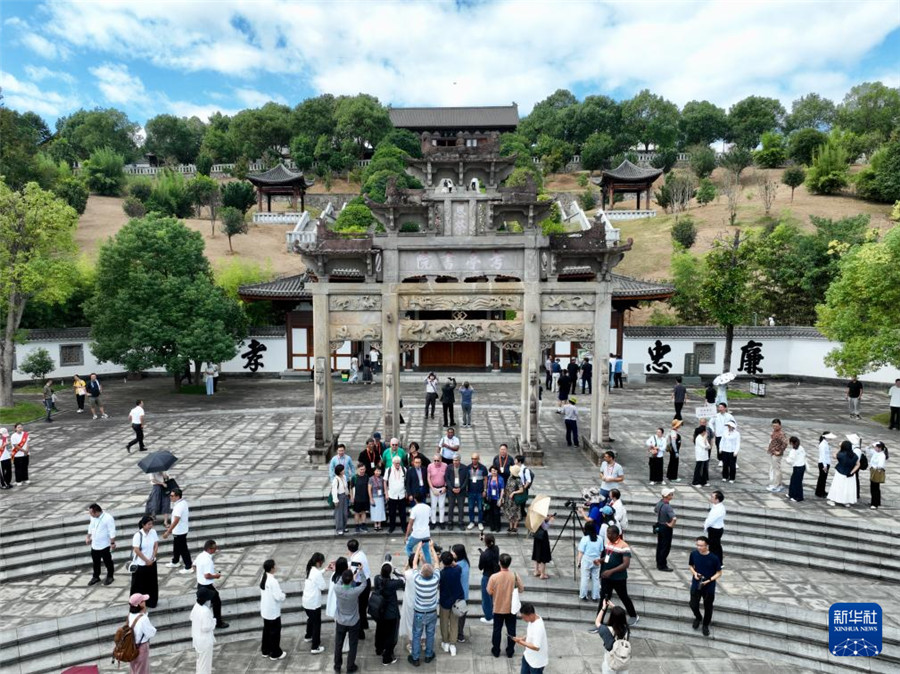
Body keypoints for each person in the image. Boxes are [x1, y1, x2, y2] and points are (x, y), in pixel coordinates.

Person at [487, 552, 525, 659]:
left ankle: (496, 650)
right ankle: (510, 651)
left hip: (498, 608)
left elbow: (489, 591)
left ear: (500, 563)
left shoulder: (494, 577)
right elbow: (521, 589)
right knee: (511, 630)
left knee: (497, 630)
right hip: (511, 608)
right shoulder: (514, 575)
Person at [409, 539, 441, 666]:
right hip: (432, 611)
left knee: (416, 634)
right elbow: (437, 563)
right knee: (430, 633)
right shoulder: (435, 579)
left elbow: (414, 564)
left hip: (419, 612)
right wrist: (432, 548)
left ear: (421, 573)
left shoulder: (417, 579)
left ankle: (415, 658)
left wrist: (418, 548)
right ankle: (428, 655)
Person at [599, 525, 638, 624]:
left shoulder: (624, 546)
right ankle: (599, 622)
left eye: (610, 533)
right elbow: (608, 557)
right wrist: (600, 560)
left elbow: (626, 564)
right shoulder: (608, 543)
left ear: (617, 534)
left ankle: (633, 615)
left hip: (618, 578)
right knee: (604, 599)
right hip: (606, 578)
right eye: (607, 533)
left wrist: (611, 571)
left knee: (623, 596)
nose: (608, 535)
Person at [334, 566, 367, 673]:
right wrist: (360, 571)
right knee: (353, 645)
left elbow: (339, 581)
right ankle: (350, 666)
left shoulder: (337, 588)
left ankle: (337, 666)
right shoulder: (355, 591)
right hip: (353, 621)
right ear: (351, 580)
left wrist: (345, 572)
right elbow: (364, 584)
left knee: (338, 644)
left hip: (340, 620)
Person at [689, 536, 723, 636]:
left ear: (706, 545)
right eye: (697, 545)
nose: (699, 547)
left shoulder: (714, 558)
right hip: (696, 583)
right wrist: (695, 573)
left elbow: (719, 573)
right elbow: (691, 566)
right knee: (693, 604)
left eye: (701, 545)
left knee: (708, 607)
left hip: (709, 585)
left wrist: (709, 580)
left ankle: (705, 625)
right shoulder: (694, 554)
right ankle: (698, 617)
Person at [374, 559, 405, 665]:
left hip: (380, 612)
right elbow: (403, 580)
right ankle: (387, 658)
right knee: (390, 636)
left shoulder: (377, 578)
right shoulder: (392, 584)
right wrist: (396, 572)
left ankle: (379, 649)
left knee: (380, 631)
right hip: (391, 614)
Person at [195, 539, 228, 629]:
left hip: (200, 584)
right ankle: (218, 622)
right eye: (215, 548)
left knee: (202, 603)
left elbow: (193, 566)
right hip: (207, 586)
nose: (216, 549)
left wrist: (199, 574)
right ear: (209, 549)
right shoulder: (208, 560)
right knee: (216, 602)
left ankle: (202, 621)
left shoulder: (200, 556)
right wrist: (216, 576)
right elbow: (207, 576)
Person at [130, 515, 159, 608]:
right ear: (143, 525)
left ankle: (151, 601)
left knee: (152, 583)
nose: (151, 526)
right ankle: (136, 602)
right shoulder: (138, 535)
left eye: (151, 524)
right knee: (138, 584)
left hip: (152, 562)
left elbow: (156, 545)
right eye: (148, 524)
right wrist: (146, 560)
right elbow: (136, 550)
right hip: (141, 564)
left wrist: (152, 558)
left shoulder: (153, 532)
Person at [259, 559, 286, 659]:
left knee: (266, 631)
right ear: (272, 568)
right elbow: (278, 597)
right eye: (275, 565)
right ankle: (275, 653)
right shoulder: (273, 581)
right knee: (275, 632)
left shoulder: (263, 577)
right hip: (273, 611)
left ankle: (265, 650)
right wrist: (283, 595)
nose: (276, 567)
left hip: (265, 609)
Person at [438, 550, 463, 656]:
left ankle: (445, 642)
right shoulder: (458, 569)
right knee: (454, 623)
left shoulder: (441, 574)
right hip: (458, 600)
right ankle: (453, 644)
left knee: (444, 622)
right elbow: (456, 565)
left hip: (445, 601)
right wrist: (451, 560)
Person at [593, 602, 629, 674]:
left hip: (611, 663)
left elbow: (597, 622)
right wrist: (614, 607)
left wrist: (603, 608)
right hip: (623, 662)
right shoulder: (626, 629)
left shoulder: (606, 630)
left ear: (612, 617)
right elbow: (620, 616)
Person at [302, 552, 328, 654]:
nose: (322, 564)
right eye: (322, 562)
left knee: (311, 619)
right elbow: (322, 586)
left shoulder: (309, 569)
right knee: (317, 624)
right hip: (314, 603)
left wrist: (325, 570)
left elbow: (315, 575)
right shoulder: (316, 573)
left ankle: (308, 636)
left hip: (306, 601)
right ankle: (315, 646)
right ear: (318, 562)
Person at [86, 503, 116, 586]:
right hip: (95, 544)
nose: (90, 514)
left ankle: (110, 576)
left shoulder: (108, 518)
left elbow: (112, 531)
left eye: (91, 513)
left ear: (96, 512)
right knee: (95, 562)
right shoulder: (93, 517)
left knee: (108, 562)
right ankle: (96, 576)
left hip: (104, 545)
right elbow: (91, 526)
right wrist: (88, 537)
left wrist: (112, 542)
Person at [512, 602, 548, 674]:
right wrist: (522, 638)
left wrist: (520, 642)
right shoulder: (533, 619)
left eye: (524, 617)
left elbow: (536, 647)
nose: (523, 619)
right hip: (528, 656)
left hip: (536, 662)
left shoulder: (538, 627)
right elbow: (530, 634)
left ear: (531, 615)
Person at [162, 488, 192, 573]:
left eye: (172, 496)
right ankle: (175, 561)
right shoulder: (182, 502)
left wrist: (168, 532)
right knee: (176, 547)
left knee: (183, 549)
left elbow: (176, 520)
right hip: (180, 530)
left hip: (180, 531)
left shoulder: (179, 506)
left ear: (177, 496)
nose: (170, 497)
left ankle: (188, 566)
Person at [126, 592, 156, 674]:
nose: (145, 602)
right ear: (140, 604)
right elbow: (151, 633)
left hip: (130, 647)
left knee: (134, 669)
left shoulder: (130, 615)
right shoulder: (143, 619)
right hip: (141, 647)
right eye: (143, 601)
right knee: (142, 670)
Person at [827, 440, 860, 507]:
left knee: (837, 487)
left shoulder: (841, 455)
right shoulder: (855, 455)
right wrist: (852, 472)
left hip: (840, 473)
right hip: (850, 474)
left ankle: (833, 500)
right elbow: (858, 464)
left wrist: (839, 448)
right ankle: (846, 502)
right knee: (847, 488)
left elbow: (834, 455)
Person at [192, 585, 217, 674]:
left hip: (197, 640)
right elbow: (206, 627)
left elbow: (192, 618)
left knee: (200, 662)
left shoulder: (196, 606)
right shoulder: (205, 611)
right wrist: (214, 621)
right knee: (205, 665)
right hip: (205, 642)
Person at [405, 492, 433, 564]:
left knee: (408, 547)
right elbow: (429, 518)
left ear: (415, 499)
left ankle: (414, 561)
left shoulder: (414, 509)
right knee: (426, 551)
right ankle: (429, 567)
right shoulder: (428, 507)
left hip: (416, 534)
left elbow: (410, 523)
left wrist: (406, 536)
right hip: (426, 534)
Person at [578, 523, 603, 601]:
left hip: (586, 560)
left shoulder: (584, 539)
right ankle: (595, 596)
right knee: (596, 578)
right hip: (597, 559)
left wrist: (579, 562)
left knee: (585, 578)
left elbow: (581, 552)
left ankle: (583, 595)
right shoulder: (600, 538)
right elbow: (601, 550)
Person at [451, 544, 471, 643]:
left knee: (456, 616)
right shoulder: (466, 562)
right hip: (465, 594)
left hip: (458, 595)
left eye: (453, 552)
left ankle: (457, 634)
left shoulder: (457, 567)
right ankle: (460, 634)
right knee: (462, 617)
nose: (452, 553)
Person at [478, 533, 500, 624]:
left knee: (486, 598)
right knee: (494, 596)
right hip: (496, 575)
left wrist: (482, 554)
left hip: (487, 576)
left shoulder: (484, 555)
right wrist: (484, 540)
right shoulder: (496, 548)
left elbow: (480, 567)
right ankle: (494, 614)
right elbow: (490, 547)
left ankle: (489, 617)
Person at [654, 488, 677, 571]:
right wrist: (671, 524)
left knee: (660, 545)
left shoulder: (659, 503)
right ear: (667, 496)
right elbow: (674, 518)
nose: (672, 495)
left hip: (660, 525)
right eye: (671, 494)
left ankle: (659, 561)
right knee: (665, 546)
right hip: (666, 527)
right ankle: (662, 565)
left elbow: (656, 510)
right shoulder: (667, 506)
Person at [703, 491, 726, 566]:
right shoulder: (717, 506)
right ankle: (718, 562)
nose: (711, 498)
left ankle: (715, 562)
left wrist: (705, 526)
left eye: (713, 497)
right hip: (716, 529)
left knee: (714, 547)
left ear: (717, 500)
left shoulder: (718, 509)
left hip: (715, 529)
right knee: (716, 546)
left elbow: (711, 520)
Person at [446, 454, 469, 530]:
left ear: (459, 460)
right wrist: (452, 488)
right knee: (451, 507)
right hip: (451, 491)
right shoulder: (449, 467)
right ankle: (450, 522)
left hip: (461, 491)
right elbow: (447, 479)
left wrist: (461, 488)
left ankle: (460, 523)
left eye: (456, 460)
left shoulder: (464, 468)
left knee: (461, 507)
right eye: (454, 460)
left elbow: (466, 479)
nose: (455, 462)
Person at [386, 455, 407, 534]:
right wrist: (386, 493)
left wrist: (406, 492)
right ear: (393, 463)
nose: (398, 465)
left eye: (399, 463)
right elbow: (385, 481)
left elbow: (406, 481)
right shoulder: (389, 470)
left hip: (401, 495)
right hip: (392, 495)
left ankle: (404, 527)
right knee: (392, 513)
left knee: (403, 513)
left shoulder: (404, 469)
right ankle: (392, 527)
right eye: (396, 463)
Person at [467, 453, 488, 531]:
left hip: (480, 492)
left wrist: (485, 490)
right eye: (472, 458)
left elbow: (485, 479)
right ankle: (471, 521)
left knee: (480, 508)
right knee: (470, 508)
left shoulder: (483, 468)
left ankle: (480, 522)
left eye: (475, 459)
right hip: (470, 492)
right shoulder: (468, 467)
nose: (474, 460)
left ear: (478, 459)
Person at [767, 419, 788, 493]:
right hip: (772, 452)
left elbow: (785, 443)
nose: (774, 427)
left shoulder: (781, 434)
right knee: (774, 469)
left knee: (777, 470)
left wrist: (779, 451)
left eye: (776, 426)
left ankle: (777, 485)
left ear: (780, 425)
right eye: (773, 426)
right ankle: (776, 483)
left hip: (776, 454)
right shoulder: (775, 432)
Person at [428, 452, 448, 529]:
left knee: (441, 506)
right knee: (433, 506)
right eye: (435, 460)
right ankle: (433, 522)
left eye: (438, 460)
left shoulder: (445, 466)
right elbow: (428, 478)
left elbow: (447, 477)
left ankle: (441, 522)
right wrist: (432, 488)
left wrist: (445, 487)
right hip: (433, 488)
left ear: (441, 459)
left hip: (442, 488)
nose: (436, 462)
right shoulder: (430, 466)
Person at [504, 465, 525, 534]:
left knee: (516, 513)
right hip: (508, 498)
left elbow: (521, 490)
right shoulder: (510, 477)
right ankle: (510, 526)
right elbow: (507, 487)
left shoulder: (518, 480)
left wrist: (513, 492)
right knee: (509, 512)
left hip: (515, 499)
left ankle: (515, 527)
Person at [786, 436, 807, 502]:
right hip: (802, 466)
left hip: (797, 467)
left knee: (797, 483)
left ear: (791, 443)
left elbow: (790, 460)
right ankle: (791, 494)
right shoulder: (801, 448)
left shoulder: (793, 451)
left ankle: (798, 497)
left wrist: (787, 459)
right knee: (794, 481)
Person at [815, 432, 836, 498]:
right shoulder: (823, 444)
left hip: (826, 463)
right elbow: (823, 455)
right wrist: (825, 465)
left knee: (823, 478)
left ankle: (822, 491)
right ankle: (819, 492)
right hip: (823, 463)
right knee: (822, 478)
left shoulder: (825, 443)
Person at [350, 463, 370, 533]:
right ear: (358, 469)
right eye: (361, 469)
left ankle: (363, 525)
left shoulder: (367, 476)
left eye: (364, 469)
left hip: (365, 498)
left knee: (364, 512)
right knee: (357, 513)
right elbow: (351, 488)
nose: (363, 471)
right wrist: (352, 497)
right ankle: (357, 526)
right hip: (357, 498)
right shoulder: (354, 477)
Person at [485, 465, 505, 533]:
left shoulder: (500, 478)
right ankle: (492, 526)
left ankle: (497, 527)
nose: (493, 472)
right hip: (490, 498)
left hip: (497, 498)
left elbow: (502, 489)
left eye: (495, 471)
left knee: (496, 513)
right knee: (491, 513)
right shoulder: (489, 478)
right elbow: (487, 487)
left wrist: (500, 499)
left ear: (497, 471)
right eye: (492, 471)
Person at [868, 441, 888, 509]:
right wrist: (870, 445)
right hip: (873, 470)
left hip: (877, 471)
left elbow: (880, 465)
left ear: (879, 448)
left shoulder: (882, 455)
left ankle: (874, 503)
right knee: (875, 487)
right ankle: (876, 501)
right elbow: (867, 450)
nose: (874, 448)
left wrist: (876, 468)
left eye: (876, 447)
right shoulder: (875, 452)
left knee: (875, 488)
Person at [332, 463, 349, 535]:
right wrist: (335, 500)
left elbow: (346, 486)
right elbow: (334, 490)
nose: (344, 470)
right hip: (339, 496)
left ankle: (344, 526)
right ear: (339, 471)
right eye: (343, 470)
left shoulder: (344, 477)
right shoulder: (336, 479)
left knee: (345, 513)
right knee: (339, 514)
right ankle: (339, 529)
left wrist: (348, 494)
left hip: (345, 496)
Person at [368, 465, 386, 532]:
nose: (378, 472)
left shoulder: (382, 478)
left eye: (379, 471)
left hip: (381, 497)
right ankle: (375, 524)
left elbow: (384, 487)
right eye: (376, 471)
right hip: (374, 497)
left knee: (380, 510)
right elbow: (369, 489)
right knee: (374, 511)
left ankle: (380, 524)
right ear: (374, 471)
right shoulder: (371, 478)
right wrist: (371, 498)